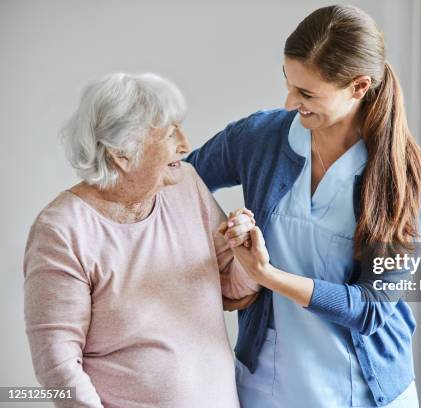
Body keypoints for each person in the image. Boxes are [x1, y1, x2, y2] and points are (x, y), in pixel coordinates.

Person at [187, 5, 421, 408]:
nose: (289, 102)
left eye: (306, 93)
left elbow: (372, 308)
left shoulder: (405, 176)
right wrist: (223, 243)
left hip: (363, 391)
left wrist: (267, 275)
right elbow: (177, 182)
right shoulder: (260, 138)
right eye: (288, 83)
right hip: (266, 383)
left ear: (358, 87)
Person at [23, 73, 258, 408]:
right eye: (169, 133)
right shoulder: (61, 230)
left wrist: (246, 257)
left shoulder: (186, 186)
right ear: (122, 153)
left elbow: (235, 292)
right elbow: (57, 365)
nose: (185, 144)